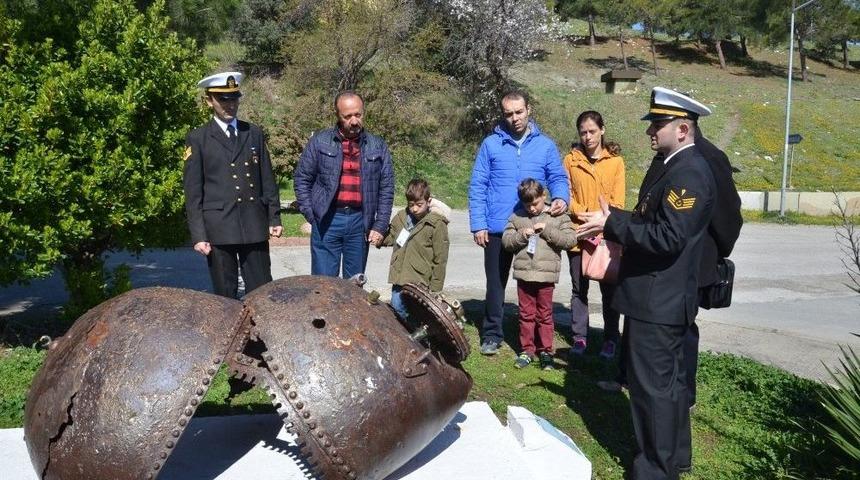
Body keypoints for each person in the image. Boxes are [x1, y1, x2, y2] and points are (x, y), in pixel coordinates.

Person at [577, 87, 716, 479]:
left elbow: (667, 238)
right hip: (662, 299)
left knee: (652, 392)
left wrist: (613, 224)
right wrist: (617, 216)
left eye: (659, 124)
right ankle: (675, 458)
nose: (650, 131)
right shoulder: (675, 165)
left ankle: (655, 470)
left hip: (658, 301)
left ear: (683, 129)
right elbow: (656, 223)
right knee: (669, 389)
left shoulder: (688, 172)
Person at [468, 90, 570, 356]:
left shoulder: (545, 145)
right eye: (508, 114)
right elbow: (478, 185)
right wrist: (479, 223)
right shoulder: (491, 144)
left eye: (519, 112)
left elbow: (558, 176)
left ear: (529, 109)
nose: (514, 118)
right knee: (495, 283)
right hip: (497, 227)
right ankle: (492, 334)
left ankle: (537, 339)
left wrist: (561, 196)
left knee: (534, 283)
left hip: (533, 226)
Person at [183, 71, 282, 299]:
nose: (230, 105)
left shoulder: (253, 132)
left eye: (234, 98)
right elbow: (193, 191)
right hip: (219, 228)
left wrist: (273, 216)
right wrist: (199, 234)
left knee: (262, 292)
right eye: (223, 99)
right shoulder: (198, 138)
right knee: (225, 296)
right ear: (209, 100)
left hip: (253, 224)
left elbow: (267, 177)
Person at [294, 92, 394, 279]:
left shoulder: (377, 146)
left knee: (355, 286)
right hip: (327, 220)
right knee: (323, 286)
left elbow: (386, 188)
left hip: (360, 222)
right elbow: (302, 179)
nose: (354, 121)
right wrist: (311, 214)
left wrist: (380, 224)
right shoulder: (320, 141)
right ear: (338, 116)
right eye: (347, 116)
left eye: (358, 114)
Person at [563, 110, 626, 359]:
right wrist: (584, 214)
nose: (587, 137)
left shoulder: (616, 162)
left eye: (591, 131)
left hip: (606, 234)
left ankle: (611, 338)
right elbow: (566, 196)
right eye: (583, 132)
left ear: (602, 130)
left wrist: (602, 223)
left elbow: (618, 201)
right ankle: (580, 337)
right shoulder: (571, 160)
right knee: (579, 290)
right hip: (579, 233)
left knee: (609, 290)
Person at [502, 179, 577, 370]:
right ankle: (527, 350)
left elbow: (570, 240)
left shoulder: (557, 216)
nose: (532, 209)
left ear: (544, 196)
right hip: (524, 276)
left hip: (546, 277)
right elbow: (507, 242)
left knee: (545, 315)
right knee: (526, 314)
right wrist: (522, 236)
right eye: (528, 205)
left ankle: (546, 351)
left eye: (535, 203)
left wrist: (547, 230)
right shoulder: (517, 217)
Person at [379, 178, 450, 322]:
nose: (415, 209)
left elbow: (440, 259)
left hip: (420, 279)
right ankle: (408, 334)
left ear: (428, 201)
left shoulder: (436, 224)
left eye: (419, 204)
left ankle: (418, 336)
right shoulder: (401, 217)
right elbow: (392, 237)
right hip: (400, 275)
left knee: (417, 311)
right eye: (411, 205)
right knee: (397, 305)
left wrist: (436, 288)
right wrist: (380, 238)